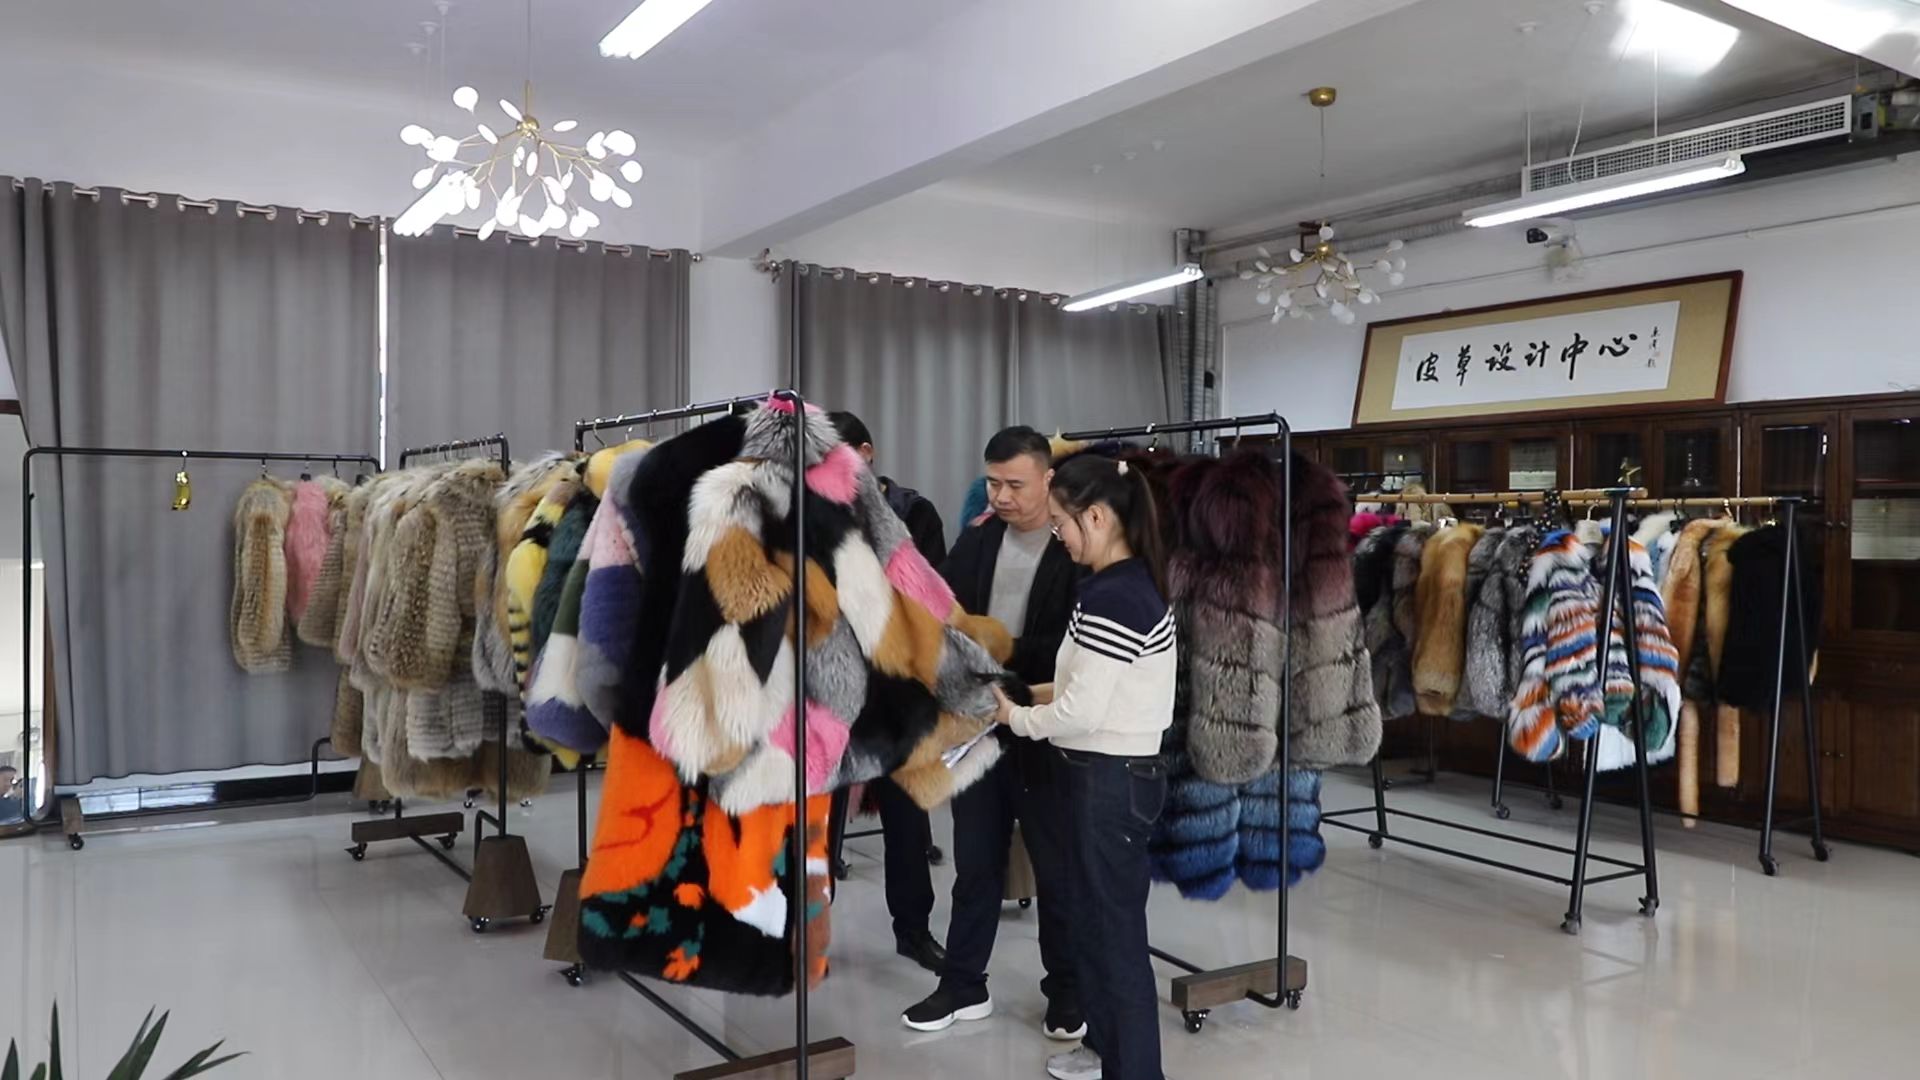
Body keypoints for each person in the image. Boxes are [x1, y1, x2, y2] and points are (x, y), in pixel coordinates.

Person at [992, 453, 1174, 1080]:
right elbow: (1082, 687)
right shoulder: (1112, 585)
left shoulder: (1116, 596)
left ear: (1095, 518)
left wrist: (1016, 718)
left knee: (1115, 936)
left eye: (1061, 524)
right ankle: (1102, 1048)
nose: (1058, 537)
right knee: (1094, 925)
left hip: (1111, 780)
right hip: (1103, 774)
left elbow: (1081, 712)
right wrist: (1023, 696)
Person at [902, 426, 1085, 1043]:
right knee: (975, 862)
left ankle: (1067, 991)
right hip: (979, 728)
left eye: (1015, 484)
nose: (1001, 496)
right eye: (992, 482)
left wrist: (997, 652)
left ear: (1048, 479)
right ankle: (963, 984)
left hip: (1047, 729)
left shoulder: (1074, 546)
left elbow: (1072, 646)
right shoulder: (978, 541)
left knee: (1057, 871)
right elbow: (944, 617)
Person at [826, 410, 949, 973]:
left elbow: (931, 596)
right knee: (817, 816)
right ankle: (810, 927)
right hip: (830, 687)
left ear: (866, 453)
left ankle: (913, 929)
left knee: (906, 816)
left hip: (896, 687)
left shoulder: (913, 512)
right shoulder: (808, 516)